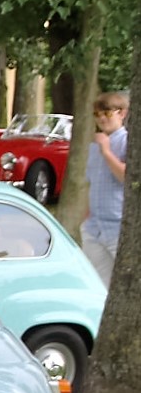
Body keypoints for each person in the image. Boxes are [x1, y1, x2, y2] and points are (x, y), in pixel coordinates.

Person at [81, 91, 129, 286]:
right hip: (94, 228)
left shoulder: (127, 141)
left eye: (107, 113)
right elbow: (91, 182)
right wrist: (86, 216)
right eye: (97, 114)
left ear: (122, 113)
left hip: (118, 226)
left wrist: (107, 151)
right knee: (98, 284)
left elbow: (126, 177)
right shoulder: (95, 145)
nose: (102, 118)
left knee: (124, 284)